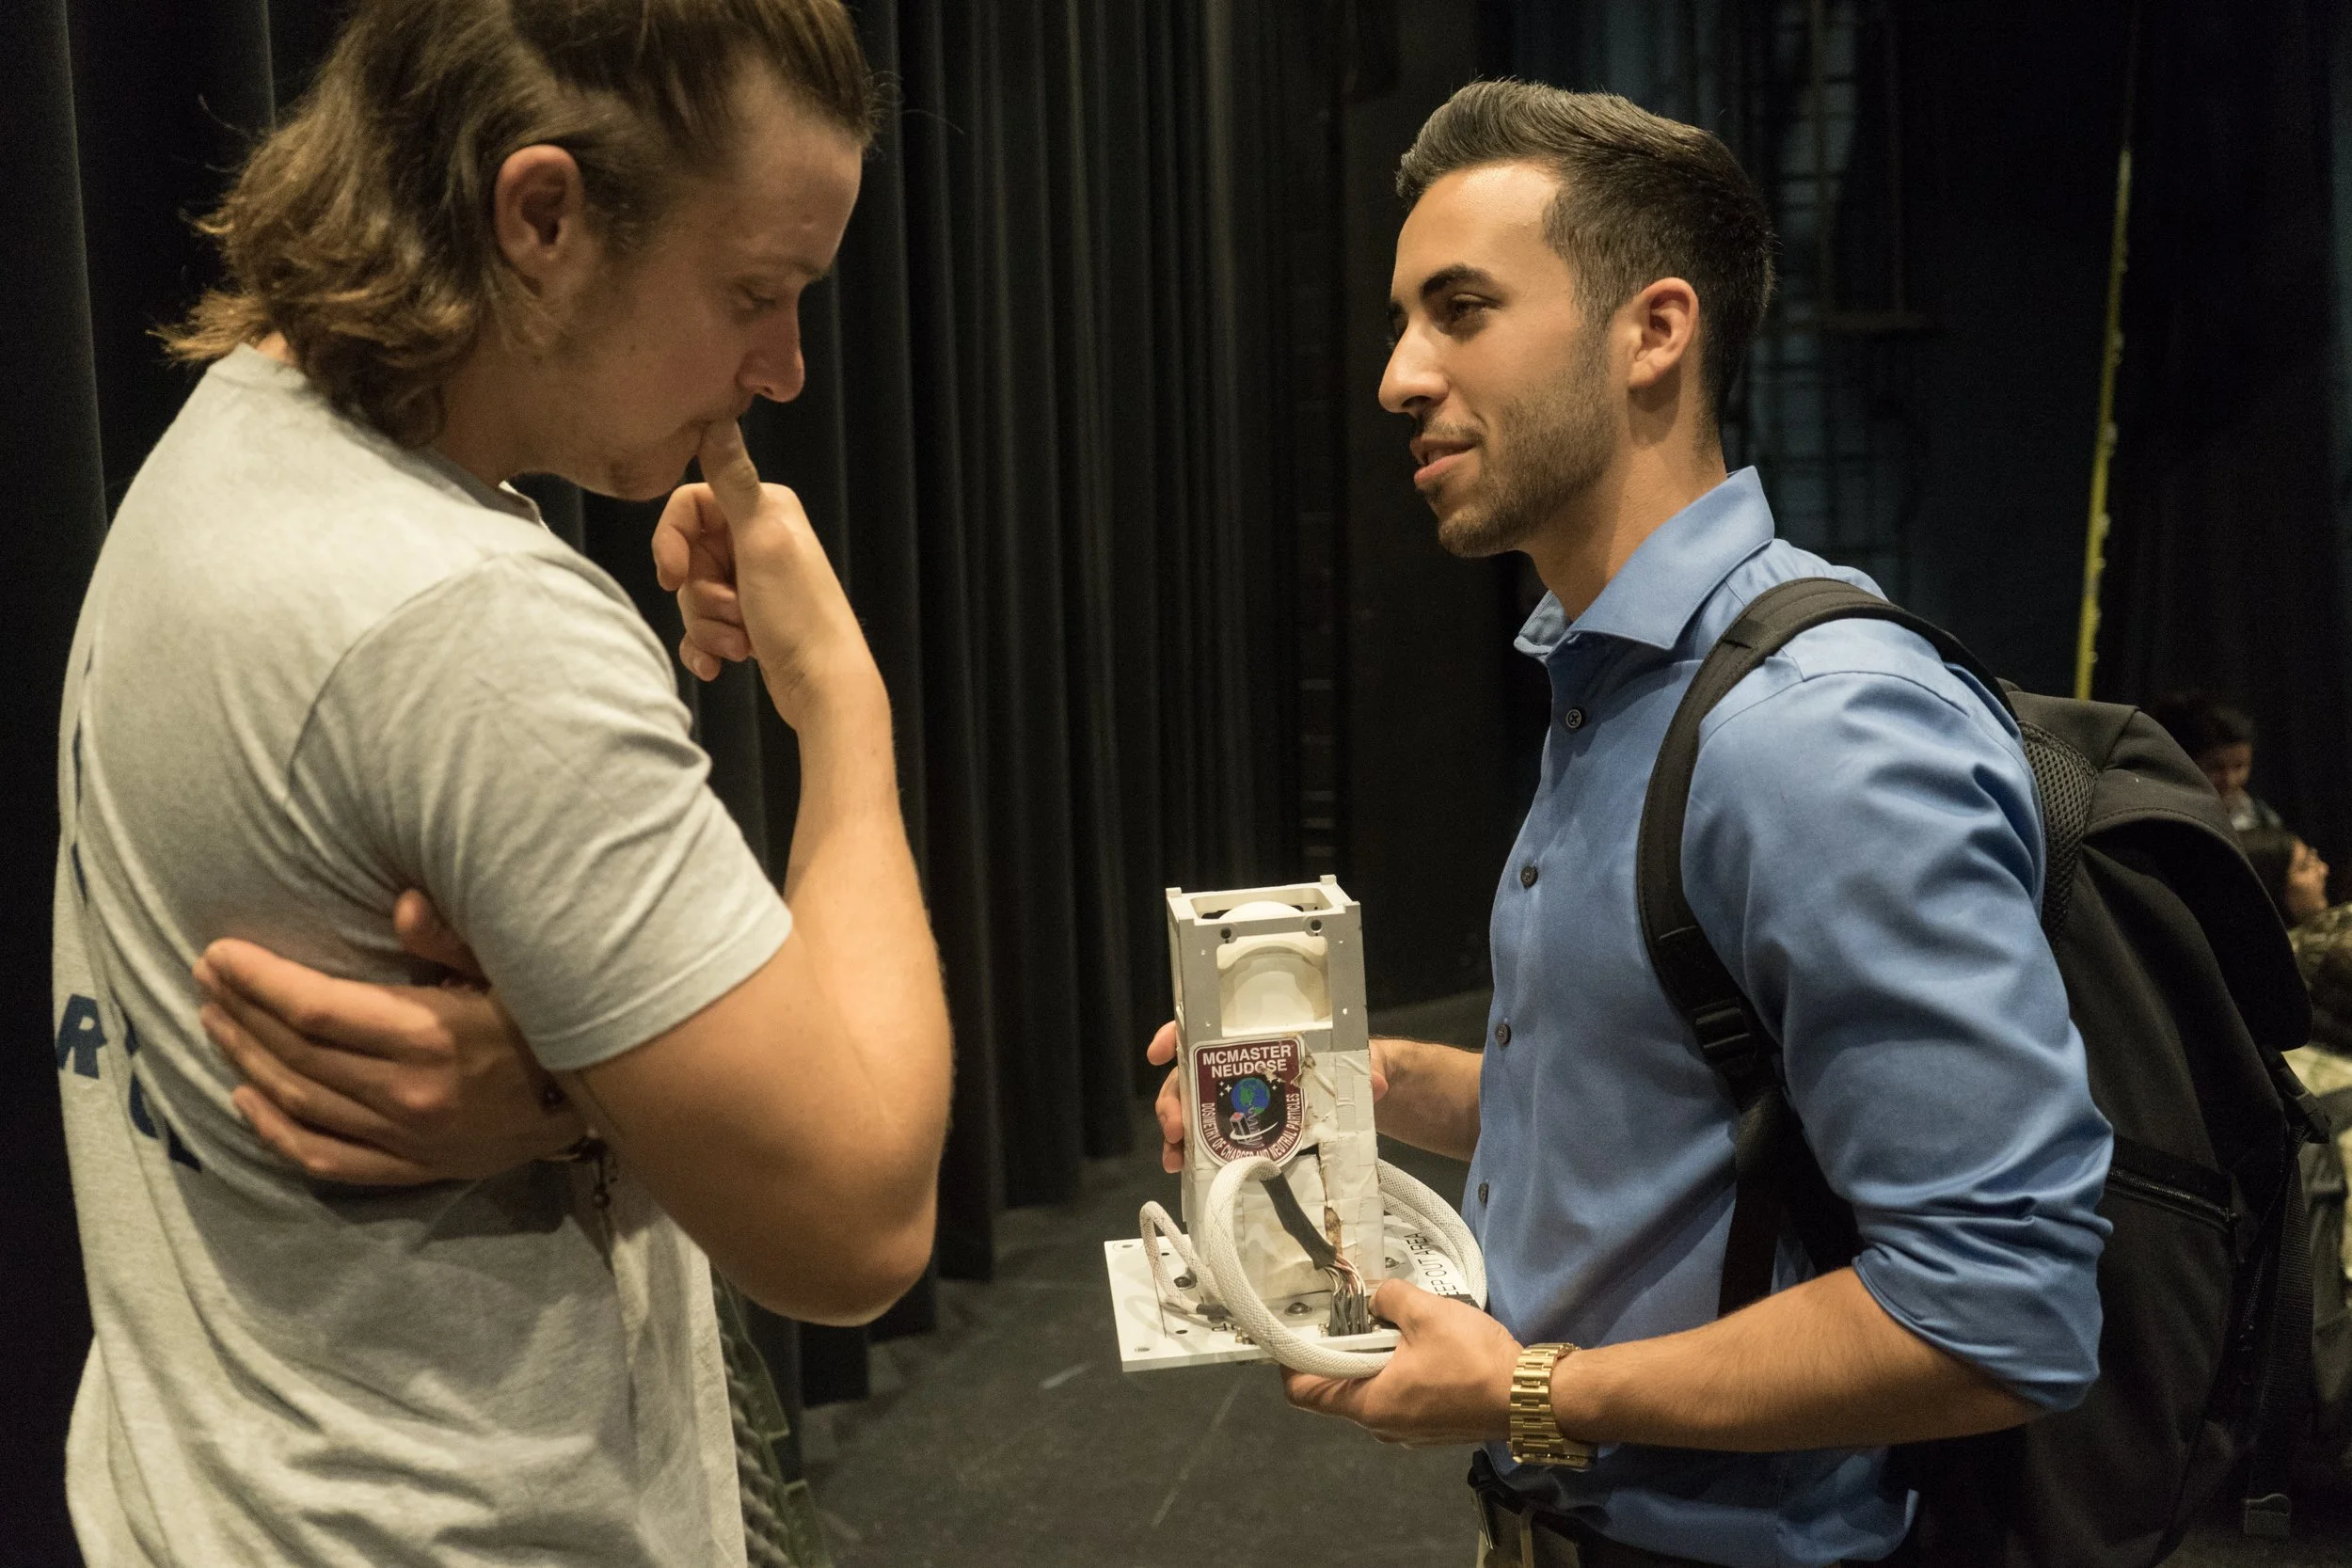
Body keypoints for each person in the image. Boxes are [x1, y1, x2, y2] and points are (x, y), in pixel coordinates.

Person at [1148, 83, 2110, 1567]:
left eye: (1461, 309)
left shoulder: (1813, 731)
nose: (1399, 373)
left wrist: (1536, 1388)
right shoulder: (1616, 680)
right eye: (1405, 317)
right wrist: (1385, 1082)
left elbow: (2003, 1312)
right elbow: (1688, 1109)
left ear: (1655, 330)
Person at [49, 3, 951, 1564]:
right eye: (755, 291)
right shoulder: (476, 631)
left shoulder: (228, 445)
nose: (787, 368)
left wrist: (571, 1091)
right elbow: (858, 1217)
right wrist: (845, 713)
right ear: (542, 215)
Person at [2147, 690, 2284, 832]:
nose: (2229, 780)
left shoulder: (2261, 816)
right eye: (2216, 768)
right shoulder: (2169, 816)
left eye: (2239, 766)